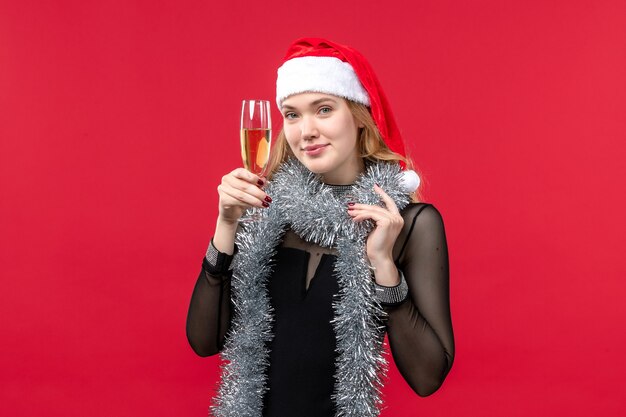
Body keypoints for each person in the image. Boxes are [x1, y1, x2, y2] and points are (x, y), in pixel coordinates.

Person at [186, 38, 455, 417]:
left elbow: (427, 378)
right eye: (292, 115)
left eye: (324, 109)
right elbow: (204, 341)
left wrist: (383, 265)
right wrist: (226, 224)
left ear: (359, 117)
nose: (305, 130)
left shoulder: (409, 224)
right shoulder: (267, 209)